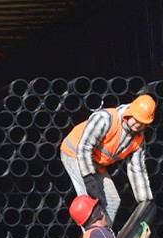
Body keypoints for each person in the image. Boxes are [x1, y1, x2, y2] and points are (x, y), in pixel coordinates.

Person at [60, 94, 156, 227]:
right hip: (74, 153)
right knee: (90, 205)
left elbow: (137, 171)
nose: (138, 124)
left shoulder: (138, 141)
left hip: (95, 162)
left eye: (143, 122)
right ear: (129, 112)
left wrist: (145, 202)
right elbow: (84, 148)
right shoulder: (105, 119)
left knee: (112, 201)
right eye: (136, 118)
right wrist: (89, 179)